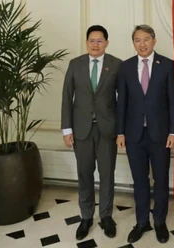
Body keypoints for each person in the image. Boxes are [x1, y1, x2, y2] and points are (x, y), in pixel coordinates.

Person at [116, 24, 174, 244]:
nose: (142, 44)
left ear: (154, 41)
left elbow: (173, 102)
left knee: (161, 180)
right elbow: (121, 102)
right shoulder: (126, 67)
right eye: (137, 40)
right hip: (133, 135)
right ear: (133, 43)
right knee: (139, 180)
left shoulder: (167, 66)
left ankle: (159, 221)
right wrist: (120, 132)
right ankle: (142, 222)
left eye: (146, 39)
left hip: (161, 134)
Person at [61, 25, 122, 241]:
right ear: (86, 42)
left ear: (106, 42)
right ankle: (86, 216)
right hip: (81, 130)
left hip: (107, 129)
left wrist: (121, 130)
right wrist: (67, 129)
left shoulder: (116, 65)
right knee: (84, 174)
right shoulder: (75, 64)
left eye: (99, 41)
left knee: (107, 175)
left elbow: (122, 101)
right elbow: (67, 98)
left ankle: (106, 216)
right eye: (91, 41)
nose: (95, 44)